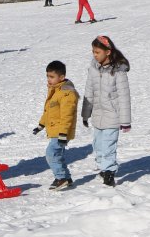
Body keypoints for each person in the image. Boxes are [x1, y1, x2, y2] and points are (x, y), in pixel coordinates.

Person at [81, 37, 131, 187]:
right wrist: (85, 113)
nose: (94, 54)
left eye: (97, 52)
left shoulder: (118, 71)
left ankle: (109, 172)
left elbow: (124, 96)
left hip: (112, 115)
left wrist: (125, 121)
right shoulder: (94, 68)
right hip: (97, 114)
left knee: (108, 145)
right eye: (93, 52)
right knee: (98, 145)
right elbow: (89, 91)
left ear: (108, 52)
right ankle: (103, 167)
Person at [33, 60, 79, 191]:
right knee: (58, 155)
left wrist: (63, 133)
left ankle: (61, 177)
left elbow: (67, 115)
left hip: (61, 131)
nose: (49, 79)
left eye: (52, 77)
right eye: (47, 76)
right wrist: (41, 125)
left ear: (62, 77)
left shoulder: (67, 93)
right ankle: (67, 178)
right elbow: (48, 111)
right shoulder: (54, 90)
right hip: (56, 130)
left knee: (51, 153)